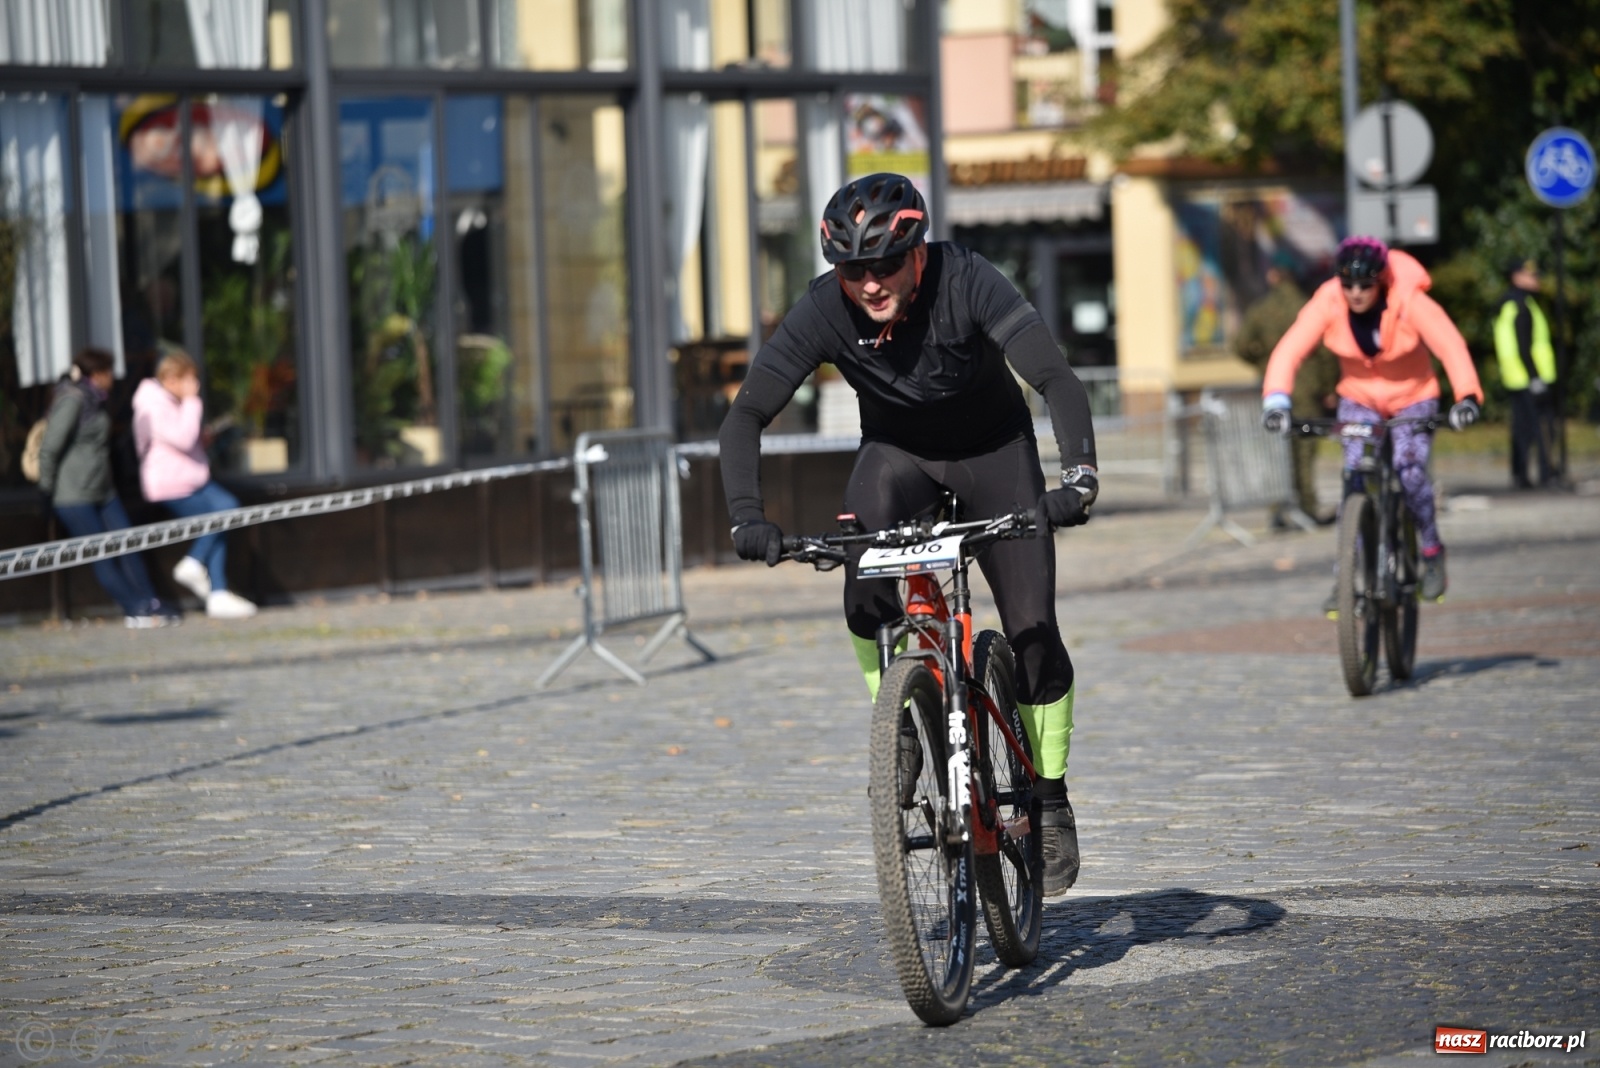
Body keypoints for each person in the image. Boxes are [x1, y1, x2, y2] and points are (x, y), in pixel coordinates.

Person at [717, 173, 1098, 897]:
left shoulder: (968, 279)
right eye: (852, 269)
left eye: (885, 264)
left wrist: (1078, 476)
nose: (869, 283)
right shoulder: (824, 308)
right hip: (898, 458)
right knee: (862, 586)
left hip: (995, 454)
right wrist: (746, 515)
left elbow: (1054, 377)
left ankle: (1049, 800)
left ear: (918, 252)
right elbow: (746, 415)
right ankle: (896, 725)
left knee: (1033, 630)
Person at [1262, 236, 1484, 613]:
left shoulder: (1408, 299)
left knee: (1409, 471)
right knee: (1354, 476)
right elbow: (1290, 348)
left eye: (1365, 285)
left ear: (1380, 281)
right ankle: (1346, 578)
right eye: (1347, 284)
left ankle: (1431, 550)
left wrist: (1467, 397)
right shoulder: (1328, 301)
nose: (1355, 293)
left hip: (1413, 396)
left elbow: (1450, 346)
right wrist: (1276, 401)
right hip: (1360, 398)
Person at [35, 348, 179, 628]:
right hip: (74, 495)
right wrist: (46, 491)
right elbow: (49, 448)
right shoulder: (73, 400)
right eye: (109, 371)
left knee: (129, 545)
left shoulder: (97, 399)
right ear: (97, 374)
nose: (113, 377)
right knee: (103, 555)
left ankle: (150, 601)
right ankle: (135, 609)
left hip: (103, 491)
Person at [132, 348, 258, 619]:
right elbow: (183, 438)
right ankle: (194, 564)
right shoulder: (153, 405)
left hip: (190, 479)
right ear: (172, 379)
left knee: (220, 518)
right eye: (190, 379)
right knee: (223, 512)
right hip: (171, 485)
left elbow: (185, 440)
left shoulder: (168, 402)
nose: (196, 385)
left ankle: (217, 593)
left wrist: (204, 437)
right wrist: (192, 402)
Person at [1235, 264, 1339, 525]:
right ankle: (1307, 509)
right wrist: (1329, 387)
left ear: (1273, 276)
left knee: (1277, 452)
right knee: (1304, 453)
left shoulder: (1261, 309)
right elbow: (1326, 352)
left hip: (1274, 388)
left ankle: (1279, 510)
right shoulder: (1308, 307)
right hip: (1307, 389)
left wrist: (1263, 361)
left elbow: (1240, 345)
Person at [1494, 257, 1558, 489]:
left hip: (1516, 377)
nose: (1536, 279)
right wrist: (1535, 378)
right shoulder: (1521, 305)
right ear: (1516, 277)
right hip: (1528, 377)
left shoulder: (1509, 303)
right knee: (1541, 428)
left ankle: (1520, 474)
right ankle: (1546, 474)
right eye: (1531, 275)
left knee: (1522, 429)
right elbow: (1524, 346)